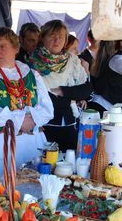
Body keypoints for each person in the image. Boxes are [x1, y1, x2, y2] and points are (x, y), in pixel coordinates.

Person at [0, 28, 53, 183]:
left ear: (16, 48)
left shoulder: (31, 74)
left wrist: (33, 119)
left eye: (2, 46)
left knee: (31, 192)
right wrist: (20, 120)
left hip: (31, 143)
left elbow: (48, 109)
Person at [27, 20, 91, 150]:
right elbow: (33, 96)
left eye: (61, 37)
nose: (57, 40)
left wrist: (62, 91)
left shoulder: (72, 60)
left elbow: (86, 90)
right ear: (43, 37)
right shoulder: (31, 63)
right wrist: (71, 97)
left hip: (69, 123)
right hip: (43, 126)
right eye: (52, 36)